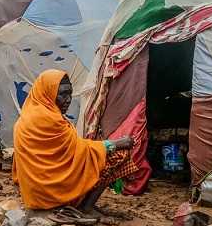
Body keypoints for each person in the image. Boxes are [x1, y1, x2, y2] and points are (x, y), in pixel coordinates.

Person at [12, 69, 135, 215]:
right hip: (51, 193)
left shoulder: (27, 117)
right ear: (48, 93)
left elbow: (72, 149)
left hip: (35, 194)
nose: (68, 99)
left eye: (70, 93)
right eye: (62, 94)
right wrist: (115, 144)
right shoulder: (50, 120)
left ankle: (82, 203)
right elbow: (79, 149)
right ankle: (86, 207)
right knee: (116, 155)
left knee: (92, 156)